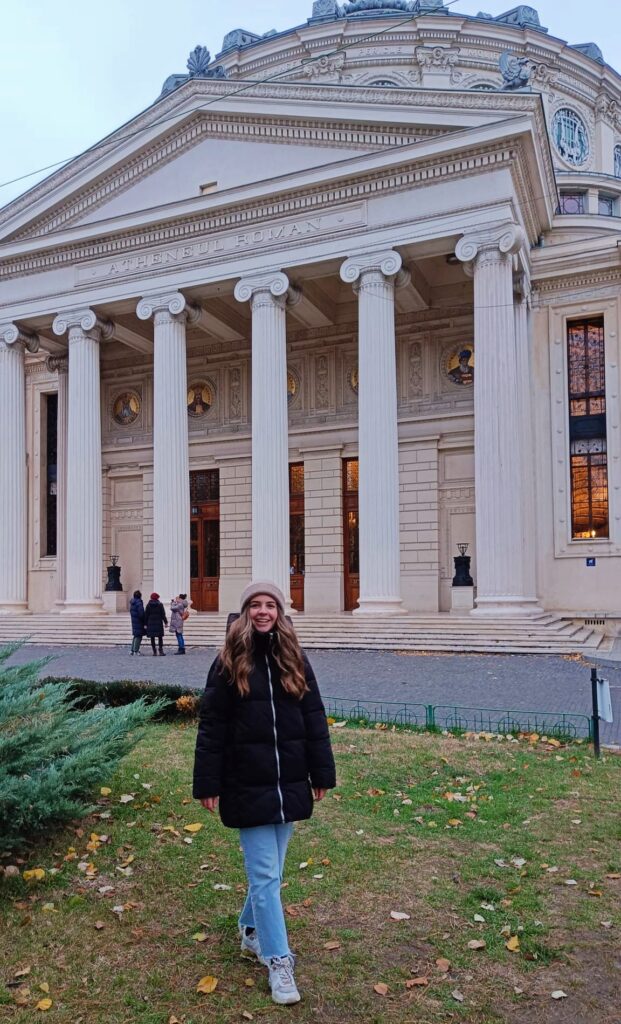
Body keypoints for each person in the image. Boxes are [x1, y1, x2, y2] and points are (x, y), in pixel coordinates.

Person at [193, 581, 336, 1006]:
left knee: (272, 871)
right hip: (245, 782)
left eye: (269, 604)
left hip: (288, 781)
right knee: (266, 876)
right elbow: (212, 727)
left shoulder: (294, 658)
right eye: (254, 605)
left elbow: (314, 717)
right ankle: (279, 961)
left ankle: (251, 930)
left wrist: (321, 772)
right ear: (243, 613)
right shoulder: (227, 661)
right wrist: (208, 782)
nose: (261, 611)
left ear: (279, 611)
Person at [144, 592, 168, 656]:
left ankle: (154, 651)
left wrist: (145, 624)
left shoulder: (148, 605)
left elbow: (146, 615)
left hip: (150, 623)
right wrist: (165, 622)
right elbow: (163, 614)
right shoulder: (160, 604)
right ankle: (161, 651)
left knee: (152, 638)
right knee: (160, 637)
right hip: (158, 623)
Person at [129, 590, 145, 655]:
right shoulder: (139, 603)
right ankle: (136, 650)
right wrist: (144, 621)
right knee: (138, 636)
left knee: (135, 636)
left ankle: (132, 650)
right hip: (139, 621)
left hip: (134, 621)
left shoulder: (133, 603)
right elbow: (141, 614)